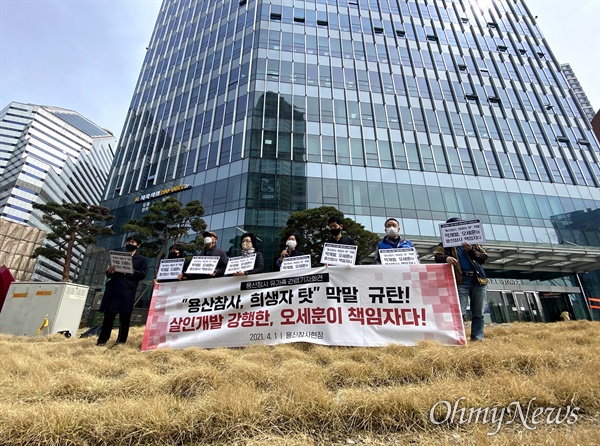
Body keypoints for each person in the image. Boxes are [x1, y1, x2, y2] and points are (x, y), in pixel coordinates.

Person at [434, 217, 488, 342]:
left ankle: (477, 338)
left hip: (477, 280)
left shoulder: (473, 242)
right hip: (459, 280)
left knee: (479, 312)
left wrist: (471, 251)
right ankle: (460, 338)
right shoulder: (445, 244)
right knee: (460, 312)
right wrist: (446, 258)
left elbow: (483, 257)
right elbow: (437, 256)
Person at [97, 235, 148, 346]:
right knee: (108, 317)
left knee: (124, 318)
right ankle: (102, 341)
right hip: (113, 289)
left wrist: (130, 271)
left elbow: (142, 274)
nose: (130, 243)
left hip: (127, 291)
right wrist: (110, 271)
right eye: (129, 241)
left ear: (138, 245)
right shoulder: (117, 256)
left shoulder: (142, 259)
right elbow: (108, 274)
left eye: (133, 242)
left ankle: (121, 342)